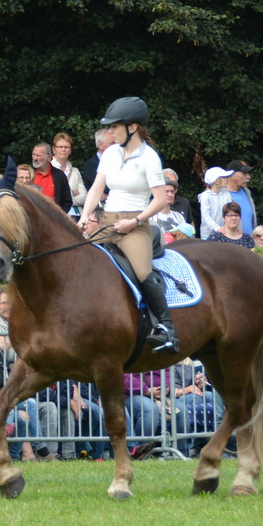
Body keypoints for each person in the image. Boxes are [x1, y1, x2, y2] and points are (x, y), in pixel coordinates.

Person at [78, 97, 177, 353]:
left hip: (135, 224)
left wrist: (135, 221)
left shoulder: (149, 158)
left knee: (142, 272)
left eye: (114, 127)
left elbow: (159, 199)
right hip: (106, 221)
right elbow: (96, 188)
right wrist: (83, 216)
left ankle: (166, 328)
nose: (110, 132)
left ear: (132, 127)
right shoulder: (110, 153)